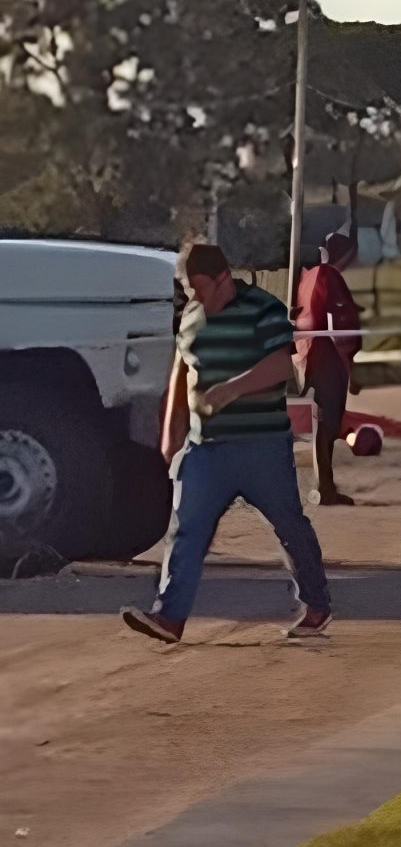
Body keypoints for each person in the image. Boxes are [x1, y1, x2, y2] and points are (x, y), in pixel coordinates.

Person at [122, 243, 332, 643]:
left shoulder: (263, 308)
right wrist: (169, 442)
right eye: (191, 291)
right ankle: (169, 618)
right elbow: (181, 376)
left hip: (262, 446)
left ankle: (317, 604)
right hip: (206, 448)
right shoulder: (191, 316)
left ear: (224, 279)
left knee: (290, 525)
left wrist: (231, 389)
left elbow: (281, 365)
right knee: (186, 529)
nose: (199, 299)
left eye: (203, 290)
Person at [293, 232, 362, 506]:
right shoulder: (328, 274)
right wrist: (352, 356)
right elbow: (341, 319)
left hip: (310, 353)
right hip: (328, 357)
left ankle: (325, 484)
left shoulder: (308, 275)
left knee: (320, 423)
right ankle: (325, 487)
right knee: (326, 424)